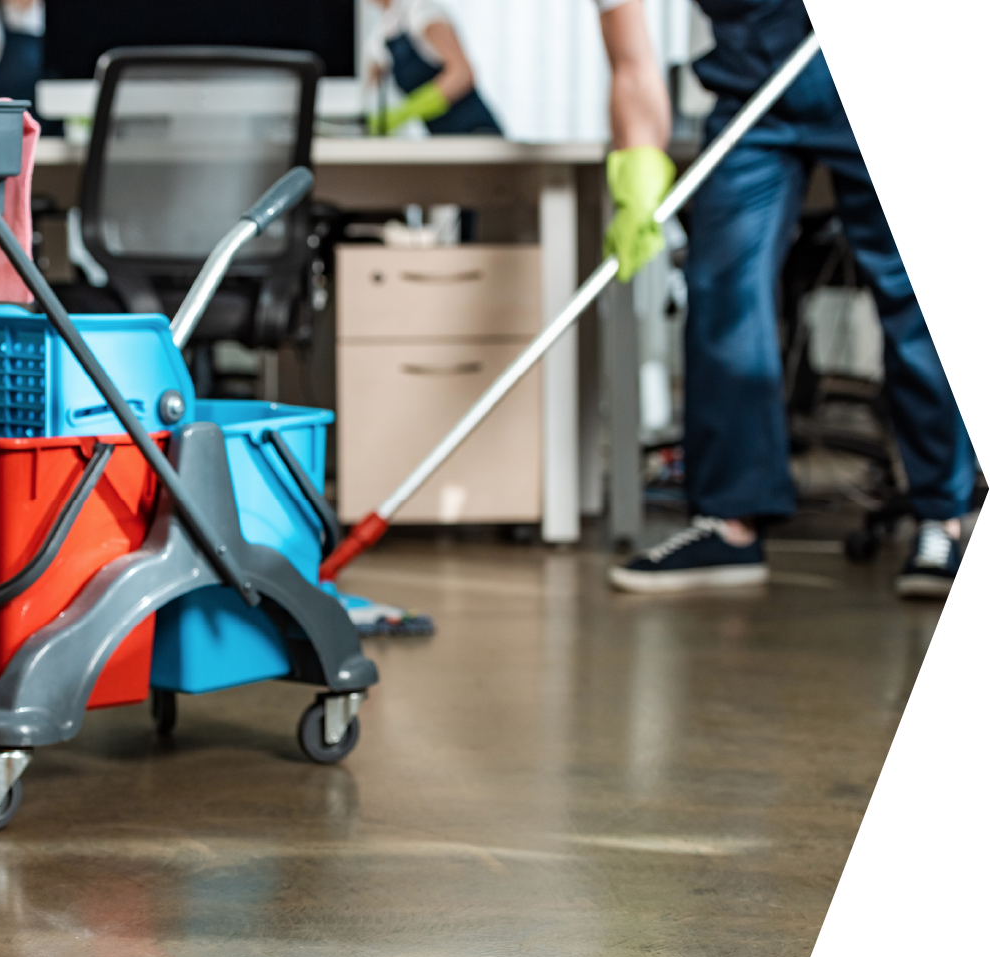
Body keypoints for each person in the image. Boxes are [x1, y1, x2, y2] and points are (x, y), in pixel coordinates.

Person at [595, 0, 974, 599]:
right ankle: (731, 521)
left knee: (911, 292)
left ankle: (941, 519)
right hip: (753, 94)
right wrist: (637, 169)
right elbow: (632, 64)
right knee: (721, 283)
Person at [365, 0, 502, 136]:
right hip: (442, 138)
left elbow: (463, 73)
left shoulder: (422, 10)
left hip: (476, 133)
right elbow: (371, 87)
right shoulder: (380, 37)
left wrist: (406, 111)